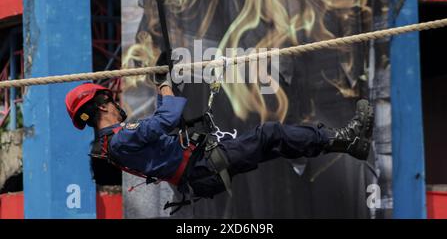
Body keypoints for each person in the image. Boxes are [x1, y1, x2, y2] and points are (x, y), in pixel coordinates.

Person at [65, 74, 374, 208]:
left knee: (275, 144)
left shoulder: (117, 141)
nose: (116, 101)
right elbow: (166, 120)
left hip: (202, 168)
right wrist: (164, 86)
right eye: (110, 98)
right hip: (203, 167)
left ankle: (349, 145)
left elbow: (158, 127)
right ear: (103, 105)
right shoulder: (120, 140)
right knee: (271, 133)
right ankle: (345, 139)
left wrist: (165, 88)